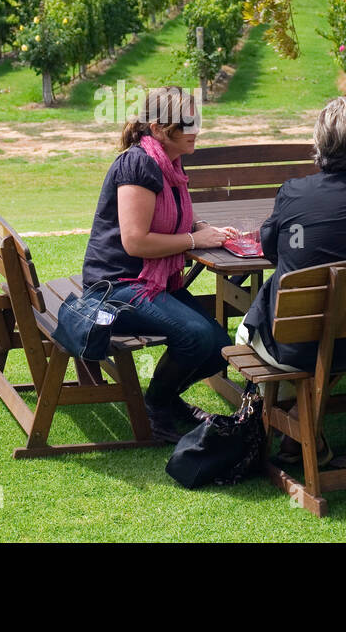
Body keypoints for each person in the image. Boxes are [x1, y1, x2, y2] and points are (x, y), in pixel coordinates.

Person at [235, 97, 346, 464]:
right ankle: (302, 429)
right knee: (333, 324)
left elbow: (270, 247)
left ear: (319, 141)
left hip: (298, 347)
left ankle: (299, 427)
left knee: (266, 329)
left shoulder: (295, 191)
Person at [81, 86, 237, 443]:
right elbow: (135, 241)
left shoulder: (170, 163)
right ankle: (155, 406)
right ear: (159, 128)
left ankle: (163, 398)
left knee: (218, 348)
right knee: (196, 337)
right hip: (116, 285)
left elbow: (168, 219)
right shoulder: (139, 163)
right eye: (188, 123)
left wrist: (201, 229)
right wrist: (197, 241)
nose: (197, 129)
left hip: (148, 280)